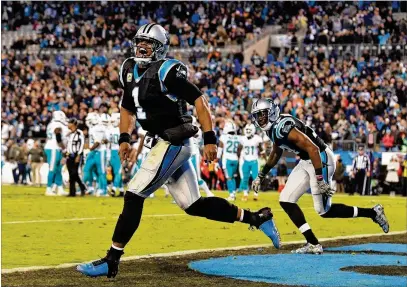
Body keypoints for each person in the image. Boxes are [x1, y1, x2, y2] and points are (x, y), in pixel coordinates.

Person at [77, 23, 280, 278]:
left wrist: (210, 139)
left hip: (174, 141)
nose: (142, 47)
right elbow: (127, 107)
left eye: (148, 44)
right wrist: (124, 139)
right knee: (193, 204)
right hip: (160, 141)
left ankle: (112, 258)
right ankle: (257, 219)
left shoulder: (167, 71)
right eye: (140, 42)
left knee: (134, 193)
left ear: (160, 48)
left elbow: (199, 100)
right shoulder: (128, 69)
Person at [251, 99, 389, 254]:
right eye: (257, 116)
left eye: (262, 114)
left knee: (324, 211)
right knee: (286, 200)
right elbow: (277, 151)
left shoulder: (283, 127)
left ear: (272, 112)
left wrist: (319, 179)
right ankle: (313, 243)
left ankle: (373, 213)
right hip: (306, 160)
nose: (260, 119)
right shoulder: (273, 128)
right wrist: (261, 175)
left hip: (321, 158)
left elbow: (313, 149)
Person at [44, 111, 69, 196]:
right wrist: (63, 147)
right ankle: (48, 188)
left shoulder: (51, 124)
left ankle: (60, 188)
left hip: (54, 148)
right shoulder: (56, 124)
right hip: (54, 148)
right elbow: (58, 135)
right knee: (52, 169)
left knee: (58, 169)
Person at [237, 123, 264, 201]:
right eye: (247, 130)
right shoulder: (243, 139)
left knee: (255, 178)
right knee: (245, 178)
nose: (248, 131)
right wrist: (240, 157)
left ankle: (256, 194)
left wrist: (263, 156)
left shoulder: (257, 138)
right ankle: (245, 194)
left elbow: (261, 150)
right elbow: (239, 149)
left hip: (254, 161)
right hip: (245, 161)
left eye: (249, 130)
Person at [218, 120, 241, 201]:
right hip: (235, 159)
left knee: (228, 178)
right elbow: (239, 149)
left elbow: (219, 151)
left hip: (227, 159)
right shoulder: (238, 137)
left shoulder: (223, 137)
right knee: (233, 177)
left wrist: (216, 160)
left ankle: (231, 195)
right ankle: (233, 193)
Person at [66, 118, 87, 197]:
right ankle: (73, 192)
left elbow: (82, 144)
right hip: (69, 155)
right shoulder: (70, 134)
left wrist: (79, 155)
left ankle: (80, 188)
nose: (68, 125)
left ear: (73, 124)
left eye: (69, 123)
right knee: (71, 174)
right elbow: (68, 145)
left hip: (76, 155)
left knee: (74, 173)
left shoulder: (79, 133)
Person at [107, 113, 124, 197]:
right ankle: (115, 189)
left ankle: (120, 190)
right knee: (118, 172)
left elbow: (108, 143)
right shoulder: (122, 129)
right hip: (118, 151)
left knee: (116, 172)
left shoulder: (110, 130)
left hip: (112, 151)